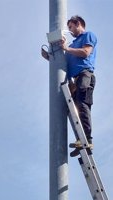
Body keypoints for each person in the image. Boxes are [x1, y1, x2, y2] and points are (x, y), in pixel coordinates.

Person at [41, 15, 97, 150]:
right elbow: (64, 63)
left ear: (78, 23)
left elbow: (85, 52)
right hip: (74, 80)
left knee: (82, 104)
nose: (70, 30)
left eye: (71, 27)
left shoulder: (88, 35)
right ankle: (80, 139)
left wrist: (67, 48)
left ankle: (87, 140)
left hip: (85, 74)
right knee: (73, 108)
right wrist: (49, 57)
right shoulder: (72, 44)